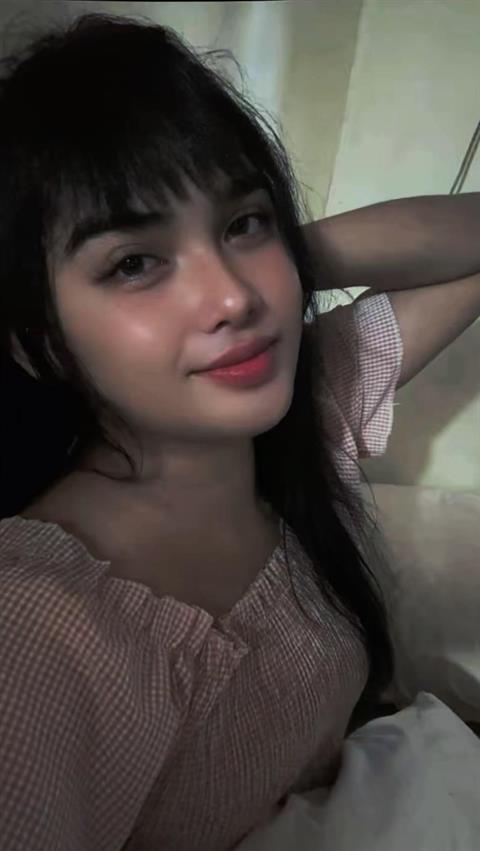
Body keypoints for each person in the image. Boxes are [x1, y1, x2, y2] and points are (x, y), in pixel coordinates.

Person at [1, 12, 480, 851]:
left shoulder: (299, 419)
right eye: (134, 262)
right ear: (36, 335)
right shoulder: (38, 629)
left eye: (242, 222)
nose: (231, 296)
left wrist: (290, 260)